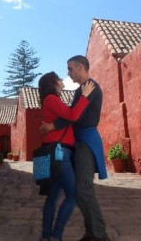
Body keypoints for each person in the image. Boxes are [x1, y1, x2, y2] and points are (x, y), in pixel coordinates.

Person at [40, 56, 110, 241]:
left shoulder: (90, 87)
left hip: (86, 142)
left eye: (70, 69)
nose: (68, 73)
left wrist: (52, 126)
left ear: (80, 67)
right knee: (80, 190)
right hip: (75, 144)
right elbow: (73, 115)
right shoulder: (81, 90)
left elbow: (74, 117)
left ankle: (99, 235)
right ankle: (91, 233)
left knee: (82, 189)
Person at [38, 71, 95, 241]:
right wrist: (84, 96)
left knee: (52, 197)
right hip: (59, 152)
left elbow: (67, 118)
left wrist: (51, 126)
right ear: (53, 83)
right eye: (59, 78)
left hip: (53, 150)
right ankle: (55, 237)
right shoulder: (52, 99)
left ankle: (46, 237)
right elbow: (72, 116)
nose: (62, 80)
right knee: (72, 195)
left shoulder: (51, 101)